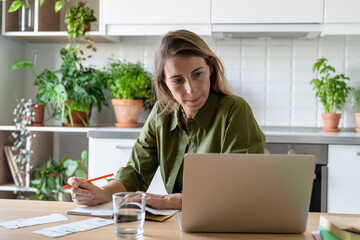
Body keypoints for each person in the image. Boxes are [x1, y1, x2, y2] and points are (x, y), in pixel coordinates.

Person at [68, 29, 265, 210]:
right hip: (179, 222)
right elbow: (136, 172)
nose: (191, 89)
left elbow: (238, 186)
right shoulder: (161, 113)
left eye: (197, 74)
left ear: (211, 69)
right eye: (178, 80)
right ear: (164, 83)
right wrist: (102, 193)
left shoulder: (234, 110)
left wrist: (168, 201)